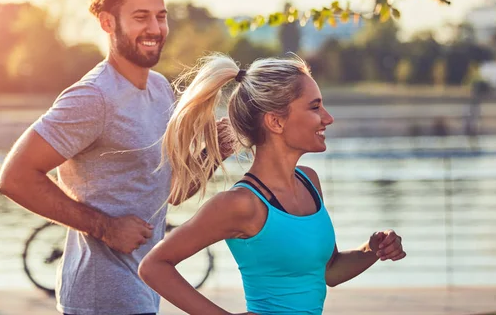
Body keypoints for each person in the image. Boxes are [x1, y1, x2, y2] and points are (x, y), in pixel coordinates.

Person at [0, 0, 232, 315]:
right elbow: (14, 177)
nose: (154, 28)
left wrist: (212, 155)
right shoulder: (93, 97)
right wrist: (105, 227)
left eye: (160, 16)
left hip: (141, 294)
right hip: (99, 298)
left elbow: (163, 195)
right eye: (140, 17)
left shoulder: (159, 90)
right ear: (108, 22)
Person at [138, 53, 407, 315]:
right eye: (315, 107)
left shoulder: (309, 181)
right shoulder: (241, 204)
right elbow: (154, 266)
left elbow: (329, 272)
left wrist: (371, 250)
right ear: (276, 121)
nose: (328, 117)